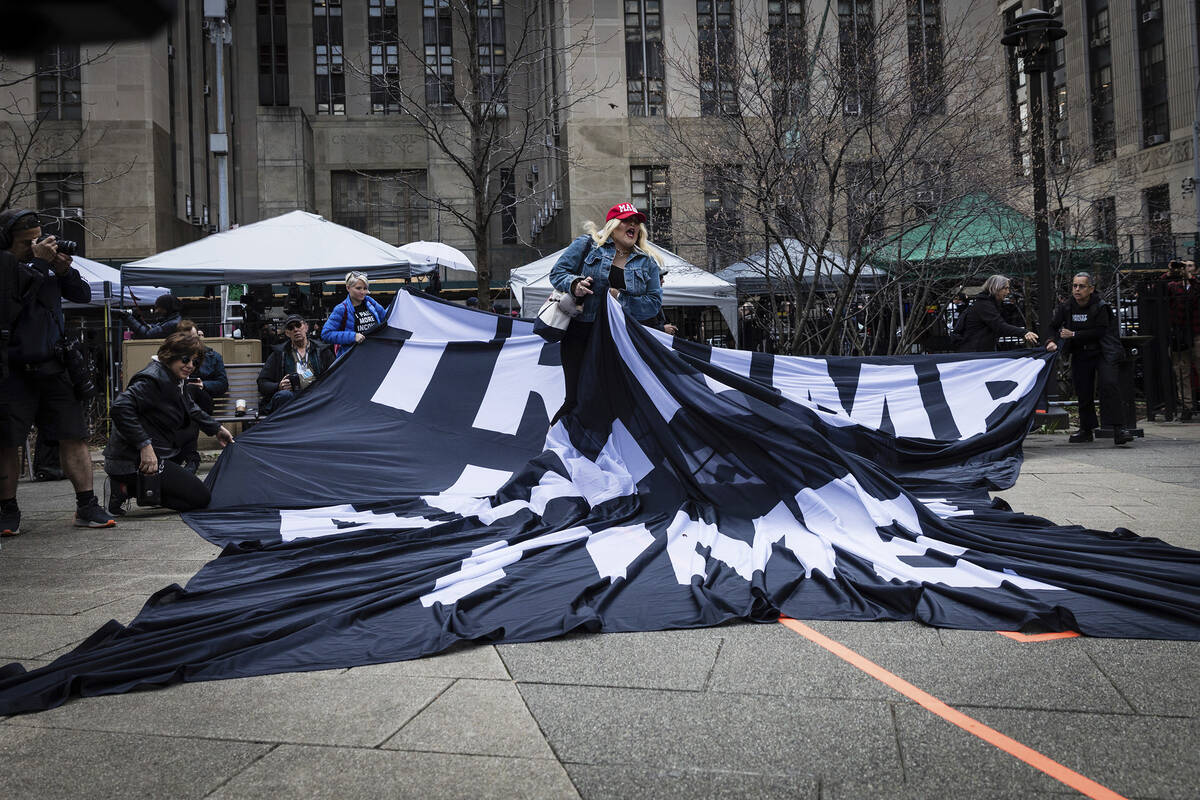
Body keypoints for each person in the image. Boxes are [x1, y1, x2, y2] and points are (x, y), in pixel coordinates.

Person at [0, 209, 114, 535]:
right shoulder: (7, 267)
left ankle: (87, 505)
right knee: (7, 442)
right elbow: (12, 300)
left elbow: (82, 295)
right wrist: (37, 263)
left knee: (73, 435)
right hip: (13, 368)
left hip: (54, 364)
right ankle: (7, 510)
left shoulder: (47, 266)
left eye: (38, 237)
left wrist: (64, 272)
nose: (37, 245)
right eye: (27, 242)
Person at [548, 202, 666, 423]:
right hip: (581, 334)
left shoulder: (647, 262)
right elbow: (557, 273)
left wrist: (619, 298)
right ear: (613, 225)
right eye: (627, 221)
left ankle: (605, 451)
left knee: (615, 401)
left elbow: (653, 304)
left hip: (620, 340)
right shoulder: (587, 245)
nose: (633, 225)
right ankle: (557, 447)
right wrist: (575, 284)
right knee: (574, 399)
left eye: (637, 222)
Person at [104, 332, 234, 515]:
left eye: (195, 362)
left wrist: (216, 428)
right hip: (130, 460)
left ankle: (133, 487)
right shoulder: (152, 378)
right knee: (200, 498)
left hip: (157, 453)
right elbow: (119, 408)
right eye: (185, 359)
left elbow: (189, 405)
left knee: (192, 497)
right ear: (170, 355)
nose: (190, 366)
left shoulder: (173, 376)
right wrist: (144, 446)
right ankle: (125, 486)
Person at [1046, 271, 1132, 445]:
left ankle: (1119, 429)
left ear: (1091, 289)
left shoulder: (1100, 306)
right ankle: (1086, 429)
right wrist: (1051, 341)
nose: (1077, 290)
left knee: (1109, 385)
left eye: (1082, 286)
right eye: (1074, 286)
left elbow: (1100, 331)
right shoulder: (1067, 306)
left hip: (1102, 352)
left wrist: (1074, 334)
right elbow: (1053, 326)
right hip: (1081, 353)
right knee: (1083, 390)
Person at [175, 320, 228, 473]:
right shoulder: (175, 357)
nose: (191, 342)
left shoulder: (212, 356)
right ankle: (192, 459)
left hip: (204, 402)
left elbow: (223, 384)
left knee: (190, 393)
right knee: (188, 410)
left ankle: (186, 458)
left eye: (193, 337)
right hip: (183, 405)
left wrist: (204, 385)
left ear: (198, 336)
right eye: (186, 338)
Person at [258, 314, 333, 415]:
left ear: (306, 327)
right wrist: (279, 386)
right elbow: (262, 383)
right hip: (291, 398)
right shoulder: (279, 354)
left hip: (316, 395)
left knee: (326, 395)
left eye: (298, 325)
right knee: (284, 396)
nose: (295, 329)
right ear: (287, 333)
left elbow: (336, 376)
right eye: (291, 328)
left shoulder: (322, 351)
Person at [956, 275, 1039, 352]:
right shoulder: (985, 305)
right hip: (976, 352)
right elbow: (1000, 326)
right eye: (1005, 288)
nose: (1008, 292)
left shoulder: (988, 304)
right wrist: (1023, 332)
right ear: (996, 288)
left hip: (977, 351)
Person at [321, 271, 386, 357]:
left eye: (365, 288)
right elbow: (326, 334)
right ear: (348, 288)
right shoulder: (341, 309)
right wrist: (353, 337)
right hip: (352, 358)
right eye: (358, 288)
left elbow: (386, 318)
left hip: (375, 353)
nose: (363, 292)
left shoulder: (370, 301)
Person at [1166, 260, 1198, 420]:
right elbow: (1156, 289)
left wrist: (1190, 277)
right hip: (1179, 334)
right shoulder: (1173, 286)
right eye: (1183, 266)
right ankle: (1187, 407)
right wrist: (1170, 271)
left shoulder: (1196, 285)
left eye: (1189, 265)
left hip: (1197, 333)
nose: (1185, 268)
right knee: (1181, 371)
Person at [116, 292, 182, 339]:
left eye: (158, 308)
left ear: (166, 308)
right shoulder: (171, 320)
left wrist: (128, 318)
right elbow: (151, 328)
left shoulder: (172, 324)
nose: (156, 311)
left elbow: (147, 334)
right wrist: (138, 319)